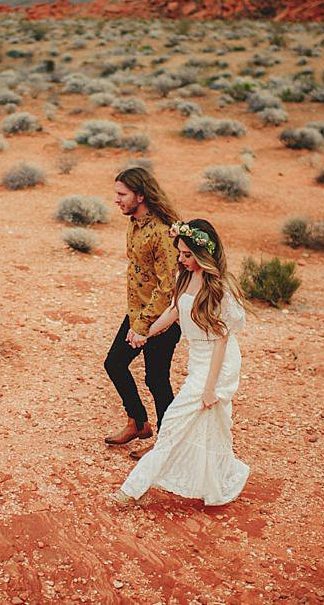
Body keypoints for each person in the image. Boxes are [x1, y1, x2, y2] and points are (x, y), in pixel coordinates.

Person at [111, 219, 250, 507]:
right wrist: (144, 333)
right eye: (180, 254)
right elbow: (174, 311)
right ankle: (218, 478)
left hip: (218, 364)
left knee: (174, 421)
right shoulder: (184, 278)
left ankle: (131, 490)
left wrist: (210, 388)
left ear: (203, 253)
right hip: (199, 360)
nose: (182, 260)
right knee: (210, 424)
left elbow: (222, 339)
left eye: (188, 255)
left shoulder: (219, 289)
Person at [103, 167, 182, 460]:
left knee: (156, 379)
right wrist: (135, 320)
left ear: (140, 195)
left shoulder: (162, 232)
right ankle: (138, 422)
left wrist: (143, 327)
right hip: (137, 312)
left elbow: (168, 287)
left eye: (122, 194)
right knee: (114, 364)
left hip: (161, 319)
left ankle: (168, 444)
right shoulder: (134, 223)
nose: (116, 200)